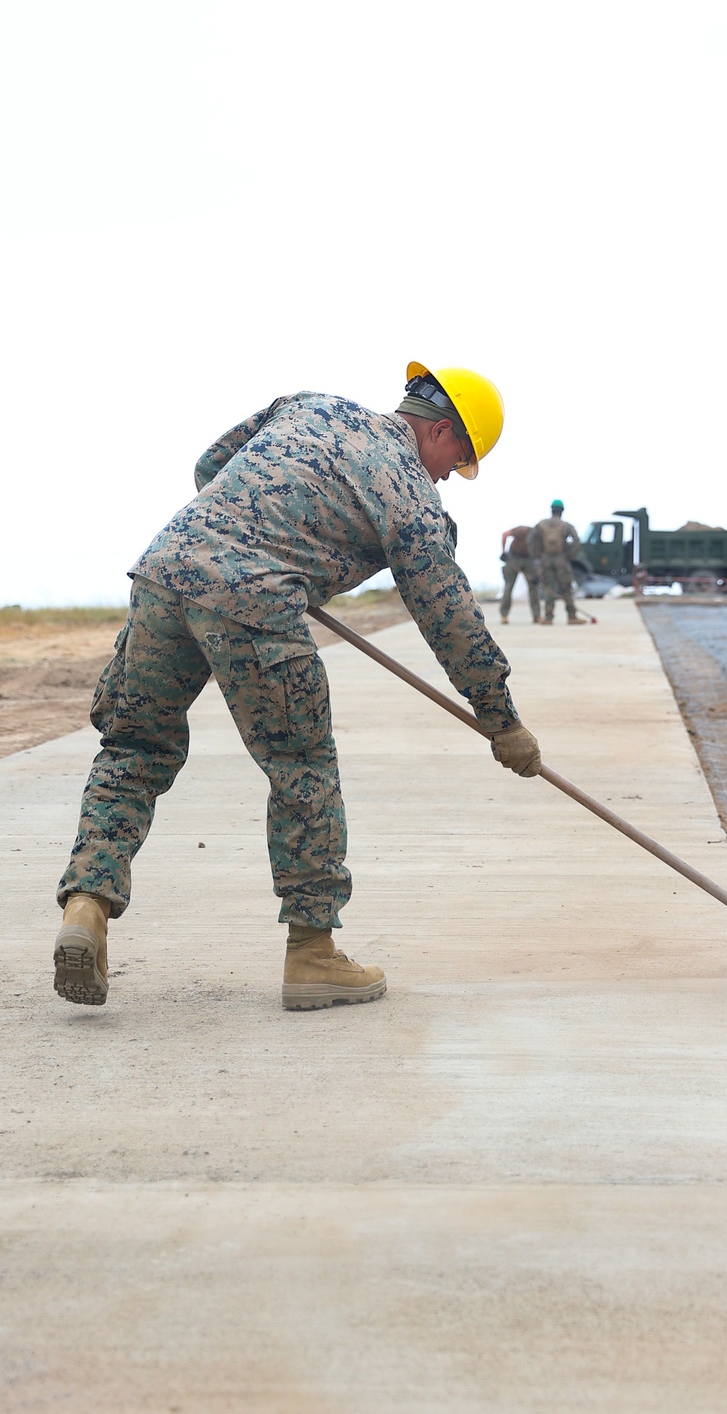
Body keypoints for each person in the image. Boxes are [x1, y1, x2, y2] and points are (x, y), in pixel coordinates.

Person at [52, 363, 542, 1013]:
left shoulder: (310, 404)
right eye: (461, 457)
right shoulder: (410, 492)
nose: (453, 475)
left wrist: (283, 532)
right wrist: (500, 718)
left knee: (134, 749)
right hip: (253, 601)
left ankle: (86, 905)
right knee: (301, 769)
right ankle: (312, 955)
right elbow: (446, 611)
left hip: (164, 573)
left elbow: (209, 467)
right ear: (441, 431)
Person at [532, 500, 586, 625]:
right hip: (561, 560)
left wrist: (538, 556)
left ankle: (548, 618)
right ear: (562, 511)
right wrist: (570, 555)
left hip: (546, 560)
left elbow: (532, 539)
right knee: (566, 588)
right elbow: (577, 540)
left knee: (549, 588)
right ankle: (572, 616)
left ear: (551, 509)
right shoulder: (566, 525)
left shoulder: (541, 524)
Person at [499, 525, 541, 624]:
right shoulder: (522, 530)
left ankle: (537, 616)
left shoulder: (540, 539)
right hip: (514, 558)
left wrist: (538, 574)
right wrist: (503, 552)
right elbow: (505, 535)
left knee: (534, 588)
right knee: (509, 587)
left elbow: (540, 557)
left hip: (529, 560)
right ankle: (504, 615)